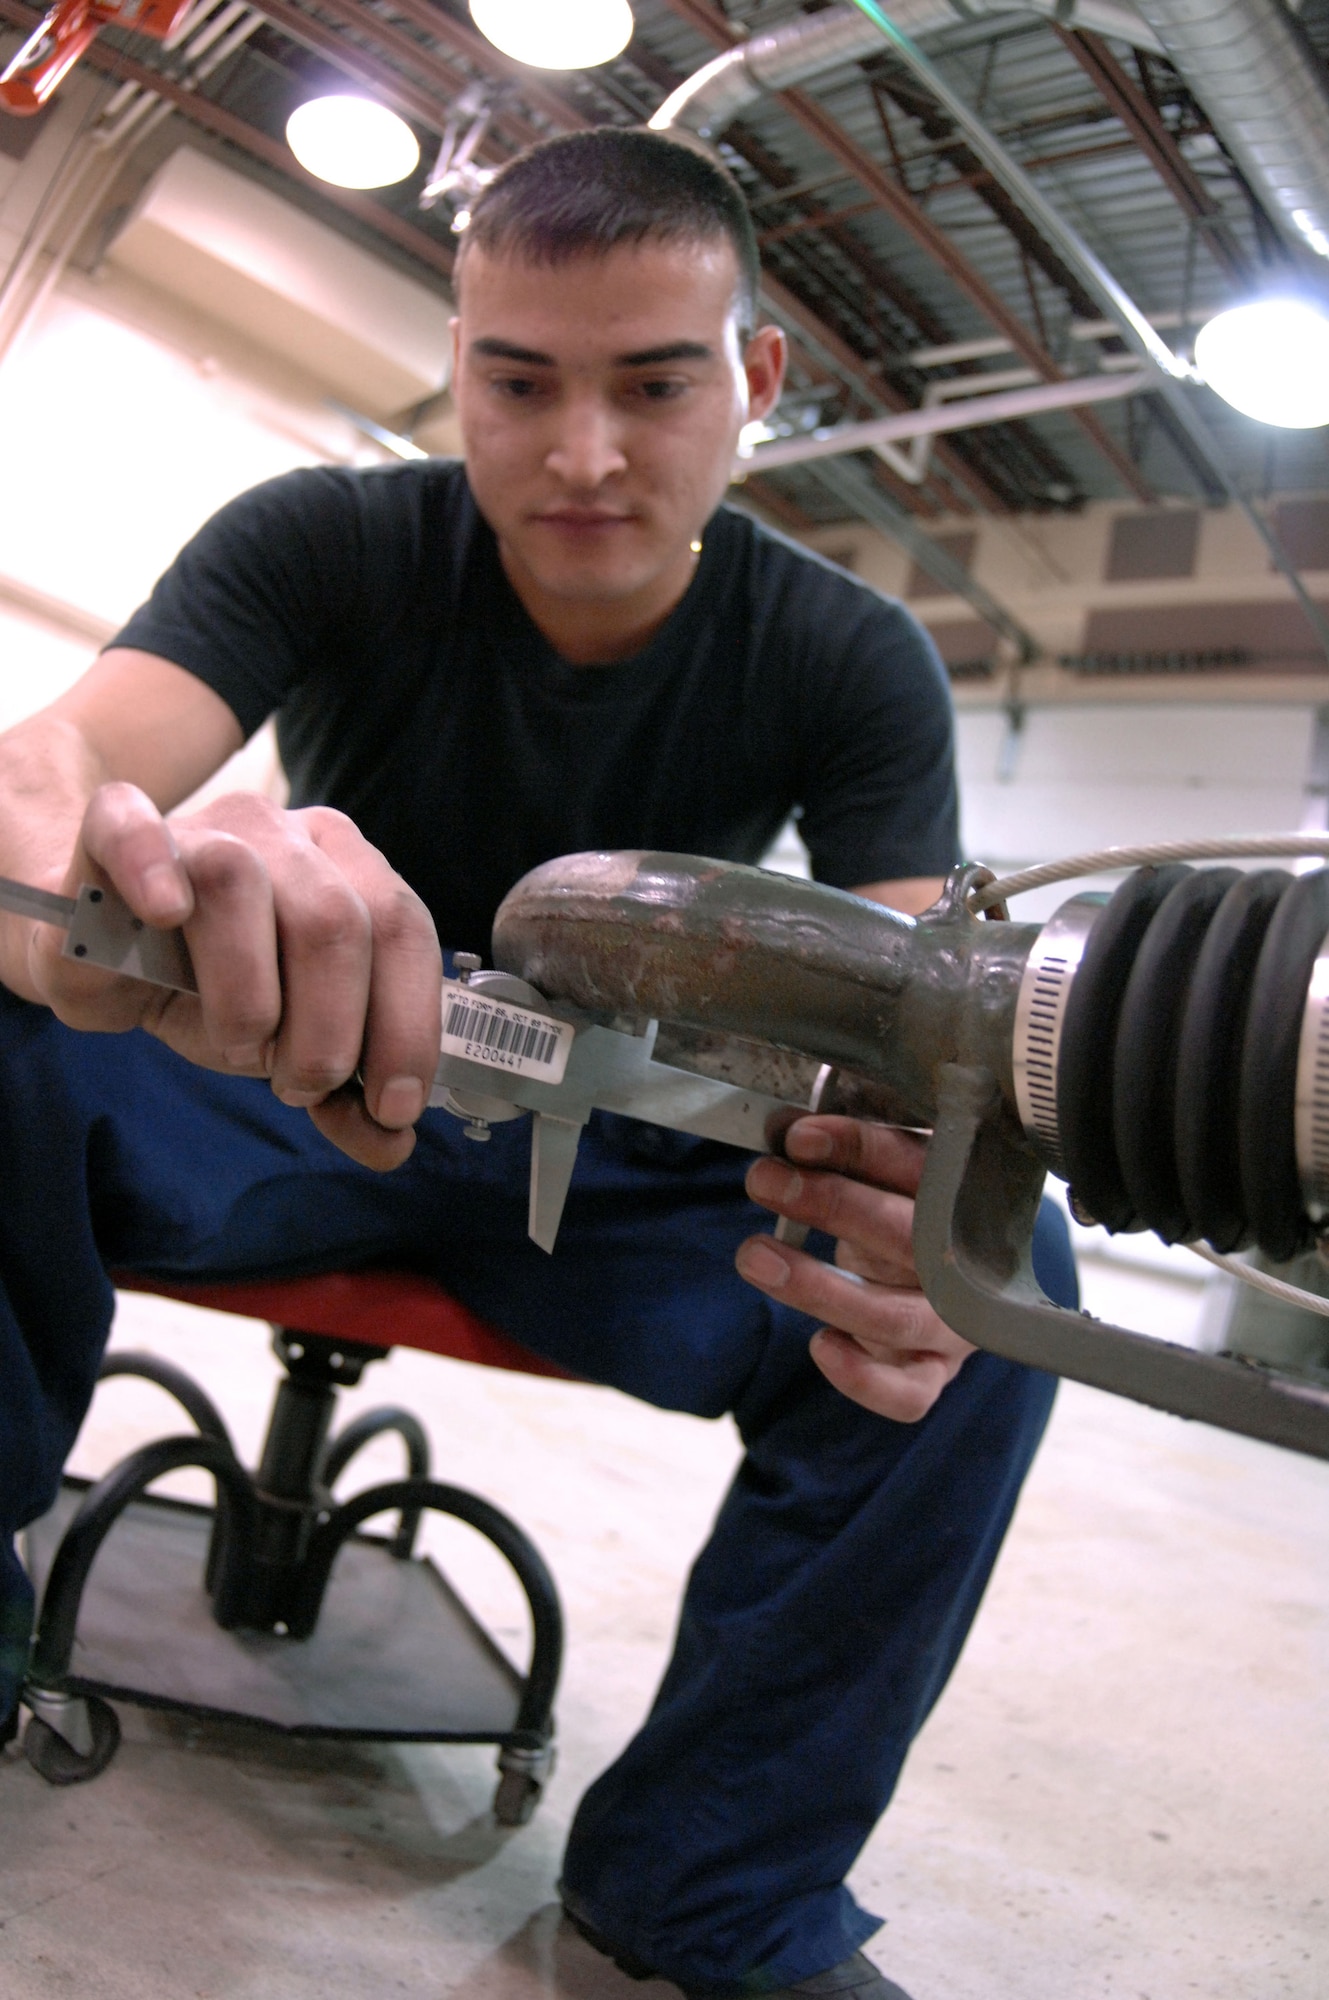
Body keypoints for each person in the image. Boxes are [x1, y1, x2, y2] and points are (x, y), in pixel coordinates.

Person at [0, 129, 1074, 2000]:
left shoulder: (846, 654)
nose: (582, 455)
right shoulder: (319, 539)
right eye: (519, 381)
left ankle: (706, 1895)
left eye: (654, 384)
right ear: (460, 356)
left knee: (994, 1267)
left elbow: (929, 1033)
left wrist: (936, 1197)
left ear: (752, 379)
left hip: (636, 1169)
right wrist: (111, 901)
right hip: (295, 1083)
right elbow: (42, 781)